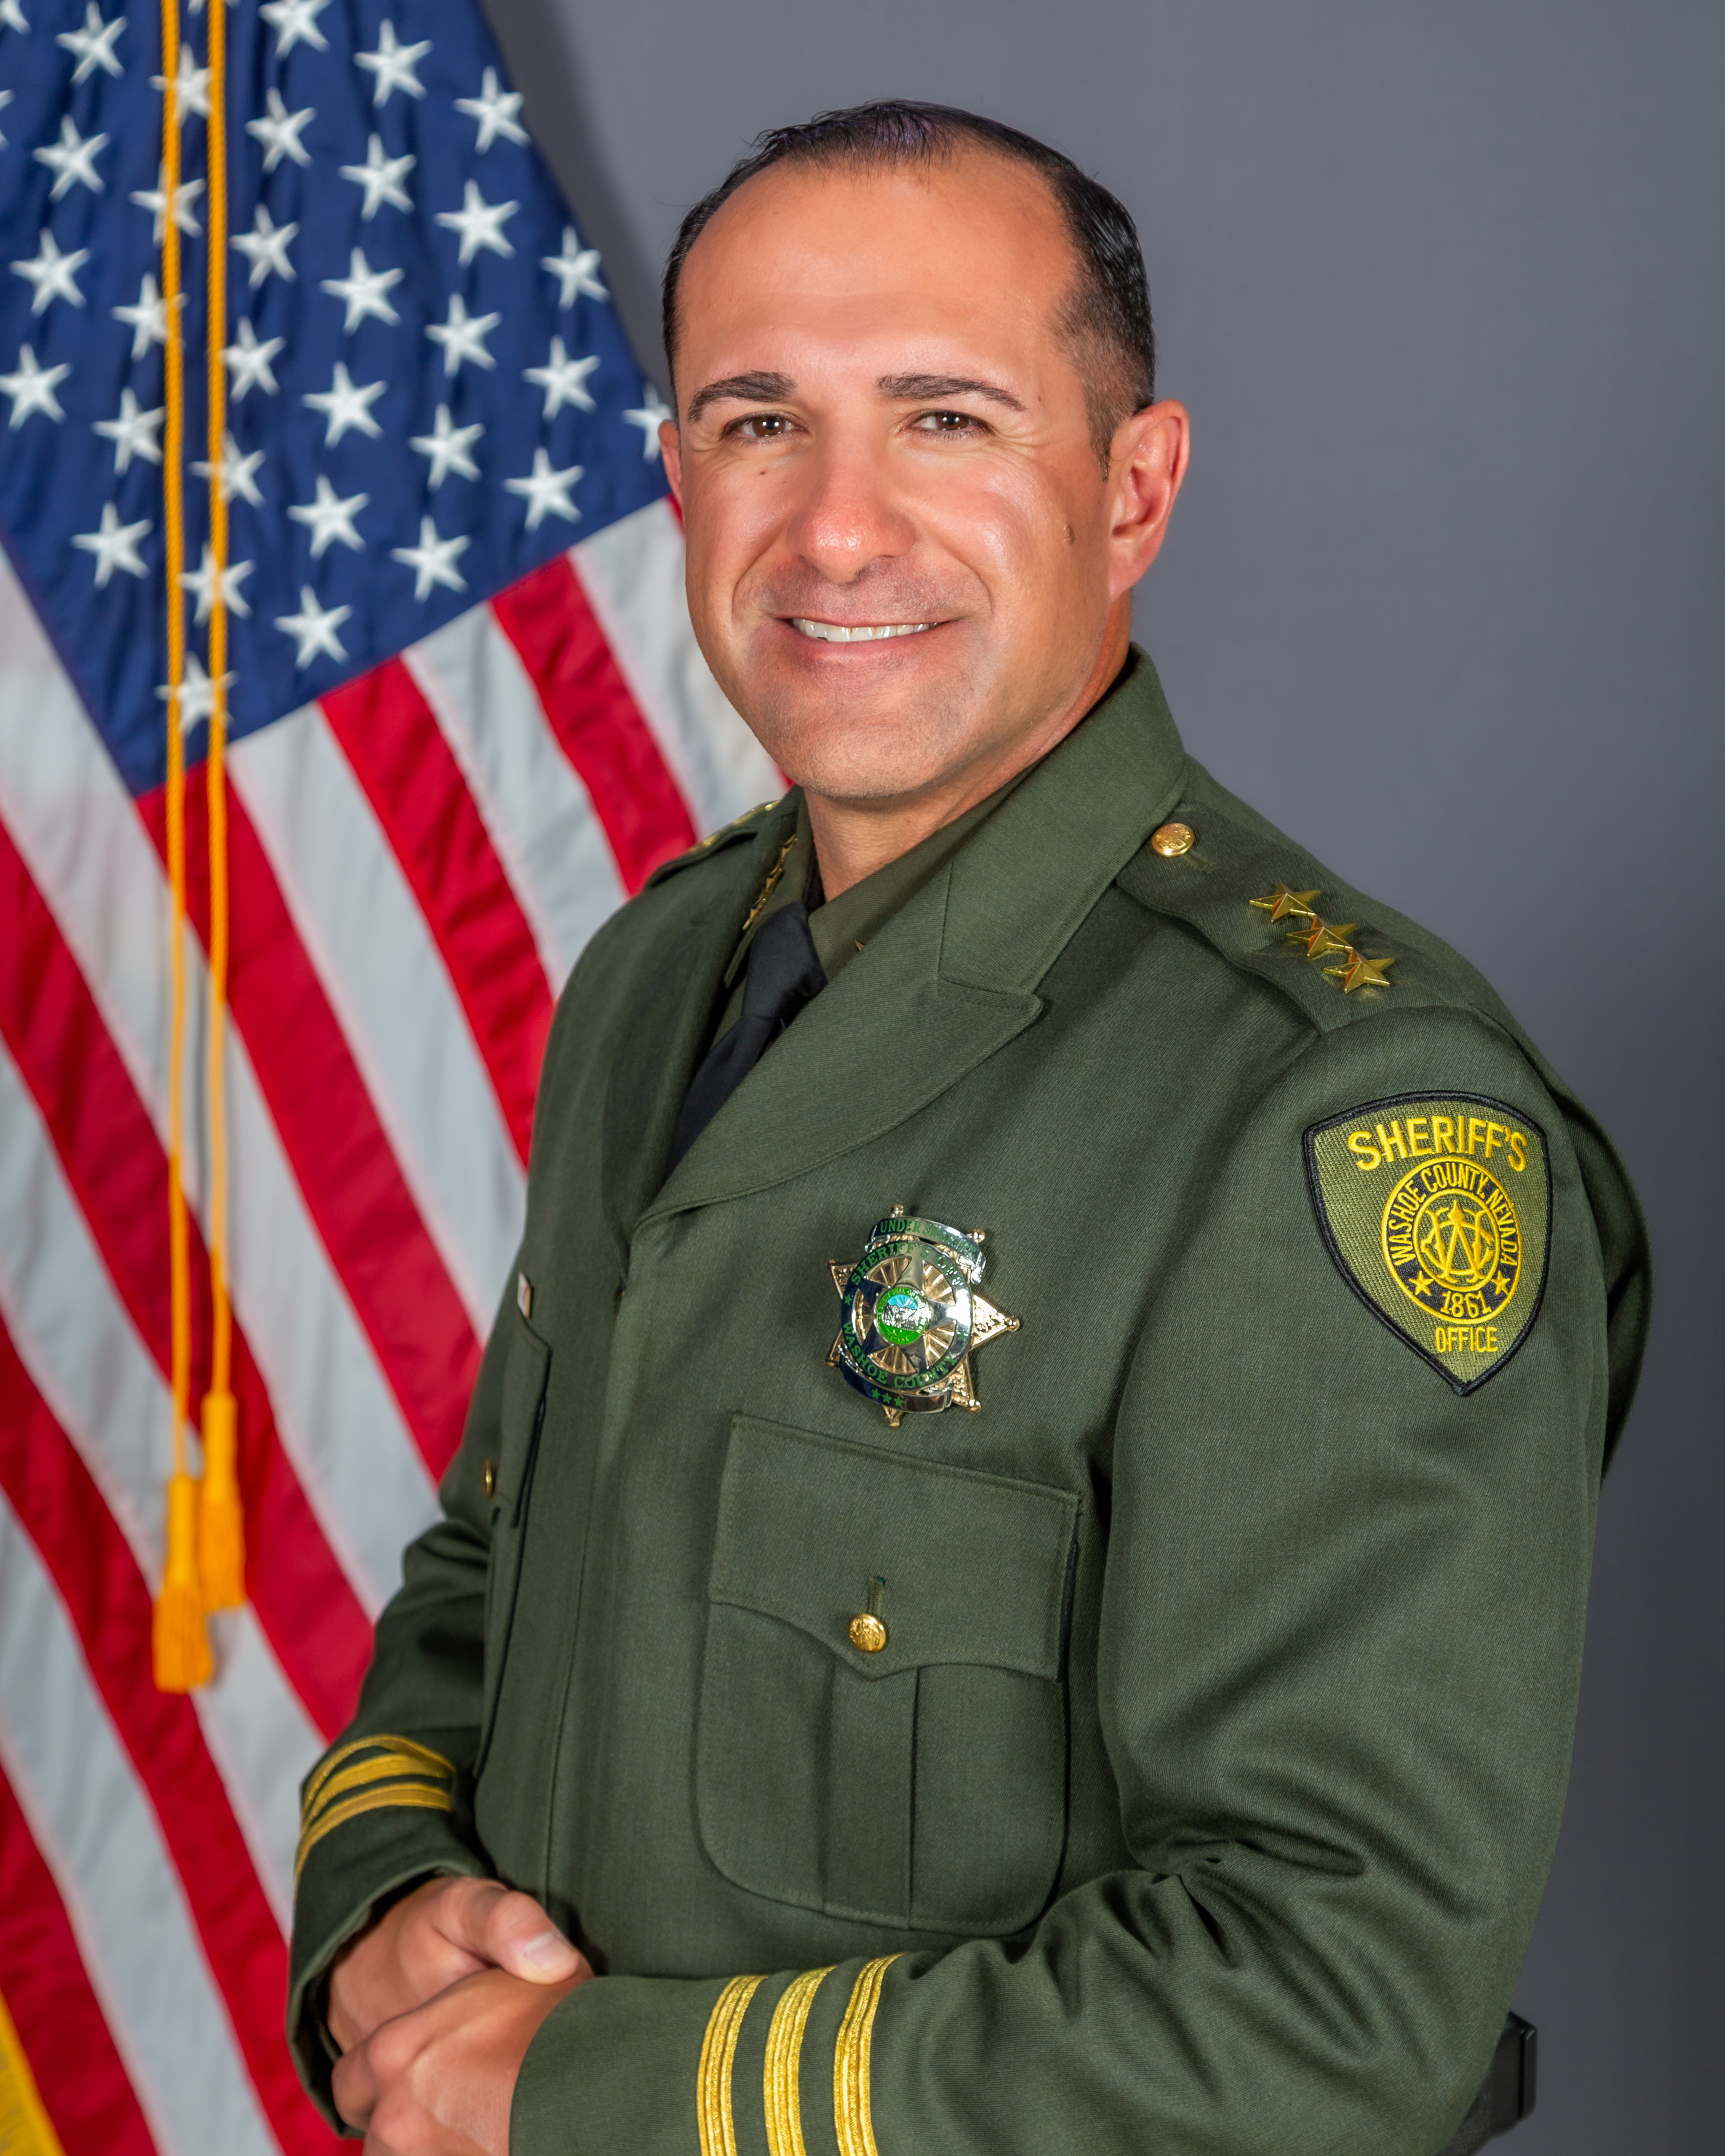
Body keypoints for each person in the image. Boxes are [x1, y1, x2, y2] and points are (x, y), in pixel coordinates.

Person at [288, 101, 1650, 2156]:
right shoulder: (656, 978)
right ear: (674, 474)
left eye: (943, 419)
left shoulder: (1330, 1102)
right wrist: (386, 1908)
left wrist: (585, 2093)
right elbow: (496, 1568)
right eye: (758, 421)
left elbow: (1328, 2001)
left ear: (1132, 488)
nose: (834, 530)